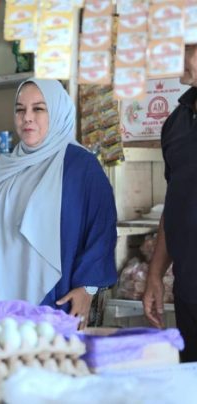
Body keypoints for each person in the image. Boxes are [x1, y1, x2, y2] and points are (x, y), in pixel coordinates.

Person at [0, 79, 117, 328]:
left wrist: (87, 288)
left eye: (39, 109)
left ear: (57, 112)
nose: (27, 118)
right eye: (20, 109)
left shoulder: (80, 166)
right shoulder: (4, 168)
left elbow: (101, 228)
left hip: (55, 299)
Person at [143, 44, 197, 362]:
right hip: (189, 293)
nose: (181, 58)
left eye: (191, 48)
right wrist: (155, 275)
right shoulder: (175, 123)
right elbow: (174, 202)